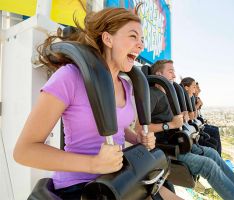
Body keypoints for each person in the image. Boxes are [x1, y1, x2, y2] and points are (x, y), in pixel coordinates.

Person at [13, 6, 181, 200]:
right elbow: (24, 151)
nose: (141, 45)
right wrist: (94, 164)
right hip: (81, 187)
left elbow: (118, 126)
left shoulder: (125, 86)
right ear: (108, 39)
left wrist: (136, 139)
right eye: (133, 36)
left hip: (120, 177)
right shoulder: (70, 77)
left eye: (142, 40)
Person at [138, 59, 234, 200]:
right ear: (158, 75)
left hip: (179, 143)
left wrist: (182, 118)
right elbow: (140, 127)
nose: (174, 76)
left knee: (212, 153)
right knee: (208, 165)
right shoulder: (152, 94)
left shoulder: (169, 95)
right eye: (170, 72)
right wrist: (170, 125)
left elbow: (178, 121)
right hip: (166, 149)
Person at [182, 79, 222, 155]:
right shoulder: (185, 99)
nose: (199, 89)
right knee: (213, 141)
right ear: (187, 88)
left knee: (214, 138)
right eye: (195, 87)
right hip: (191, 131)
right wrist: (197, 106)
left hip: (194, 128)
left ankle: (218, 158)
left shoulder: (193, 98)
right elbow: (192, 117)